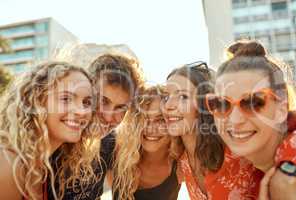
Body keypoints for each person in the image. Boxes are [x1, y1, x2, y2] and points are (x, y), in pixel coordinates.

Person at [205, 40, 296, 199]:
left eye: (253, 102)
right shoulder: (230, 173)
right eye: (221, 103)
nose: (235, 120)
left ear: (281, 110)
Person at [49, 49, 145, 200]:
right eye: (102, 100)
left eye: (121, 107)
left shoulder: (108, 143)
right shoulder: (53, 142)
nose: (108, 117)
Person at [0, 61, 98, 200]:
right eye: (66, 99)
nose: (81, 111)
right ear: (36, 103)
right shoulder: (8, 165)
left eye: (86, 102)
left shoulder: (42, 167)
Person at [162, 62, 226, 200]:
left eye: (183, 97)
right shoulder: (180, 159)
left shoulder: (233, 150)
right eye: (165, 97)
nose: (167, 106)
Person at [112, 85, 184, 200]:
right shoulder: (118, 151)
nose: (150, 129)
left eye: (160, 119)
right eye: (143, 118)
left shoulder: (182, 163)